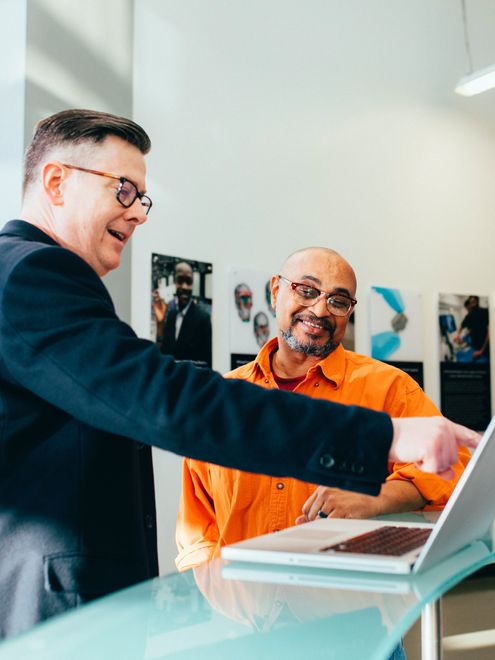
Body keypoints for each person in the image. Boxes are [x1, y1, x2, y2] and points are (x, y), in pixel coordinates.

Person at [0, 110, 477, 638]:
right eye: (125, 190)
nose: (138, 213)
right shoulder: (33, 273)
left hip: (349, 622)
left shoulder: (387, 385)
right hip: (76, 611)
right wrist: (383, 436)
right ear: (56, 181)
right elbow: (165, 402)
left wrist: (378, 494)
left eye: (143, 197)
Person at [176, 248, 471, 571]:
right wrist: (214, 597)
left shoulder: (390, 388)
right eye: (306, 290)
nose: (319, 310)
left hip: (347, 605)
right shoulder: (224, 399)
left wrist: (375, 498)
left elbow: (455, 469)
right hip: (242, 609)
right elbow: (197, 527)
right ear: (276, 291)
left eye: (338, 301)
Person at [157, 261, 212, 368]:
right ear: (174, 282)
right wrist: (160, 324)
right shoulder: (171, 315)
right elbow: (163, 353)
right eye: (180, 280)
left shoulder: (203, 318)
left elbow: (207, 363)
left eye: (189, 281)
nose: (185, 286)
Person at [454, 295, 489, 362]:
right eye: (471, 302)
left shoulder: (485, 312)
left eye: (473, 301)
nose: (472, 304)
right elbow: (462, 326)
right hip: (475, 347)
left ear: (477, 301)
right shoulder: (469, 316)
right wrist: (458, 335)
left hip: (484, 348)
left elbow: (489, 332)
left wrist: (481, 351)